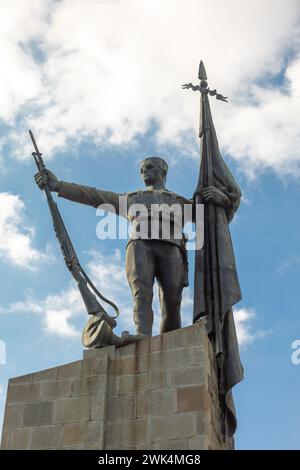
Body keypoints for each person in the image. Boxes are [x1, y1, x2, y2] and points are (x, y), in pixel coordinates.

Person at [35, 156, 230, 337]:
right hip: (139, 245)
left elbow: (216, 221)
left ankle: (170, 339)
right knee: (141, 294)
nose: (145, 171)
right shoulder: (132, 198)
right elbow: (93, 196)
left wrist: (224, 200)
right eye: (142, 169)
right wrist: (58, 185)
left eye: (150, 167)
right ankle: (143, 335)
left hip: (172, 248)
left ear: (163, 172)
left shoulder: (180, 201)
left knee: (172, 301)